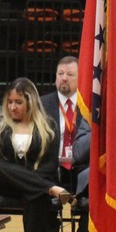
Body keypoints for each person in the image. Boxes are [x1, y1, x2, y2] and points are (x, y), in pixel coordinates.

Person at [0, 77, 75, 232]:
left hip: (35, 184)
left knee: (35, 194)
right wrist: (36, 182)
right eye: (10, 102)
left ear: (31, 102)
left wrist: (29, 180)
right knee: (2, 169)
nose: (12, 107)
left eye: (18, 102)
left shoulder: (48, 125)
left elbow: (50, 164)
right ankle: (51, 189)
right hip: (5, 182)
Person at [40, 56, 90, 193]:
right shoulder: (41, 104)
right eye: (60, 73)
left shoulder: (89, 106)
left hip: (82, 166)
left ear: (81, 78)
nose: (64, 78)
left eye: (70, 74)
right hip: (51, 166)